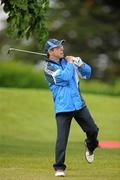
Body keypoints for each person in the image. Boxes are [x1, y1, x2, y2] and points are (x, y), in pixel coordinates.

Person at [44, 38, 99, 177]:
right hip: (63, 108)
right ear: (51, 52)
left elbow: (87, 74)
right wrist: (70, 63)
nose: (62, 48)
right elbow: (66, 77)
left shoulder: (70, 62)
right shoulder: (48, 69)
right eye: (58, 47)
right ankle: (59, 168)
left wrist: (81, 64)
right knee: (62, 139)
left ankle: (90, 146)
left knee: (93, 130)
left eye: (62, 46)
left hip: (78, 105)